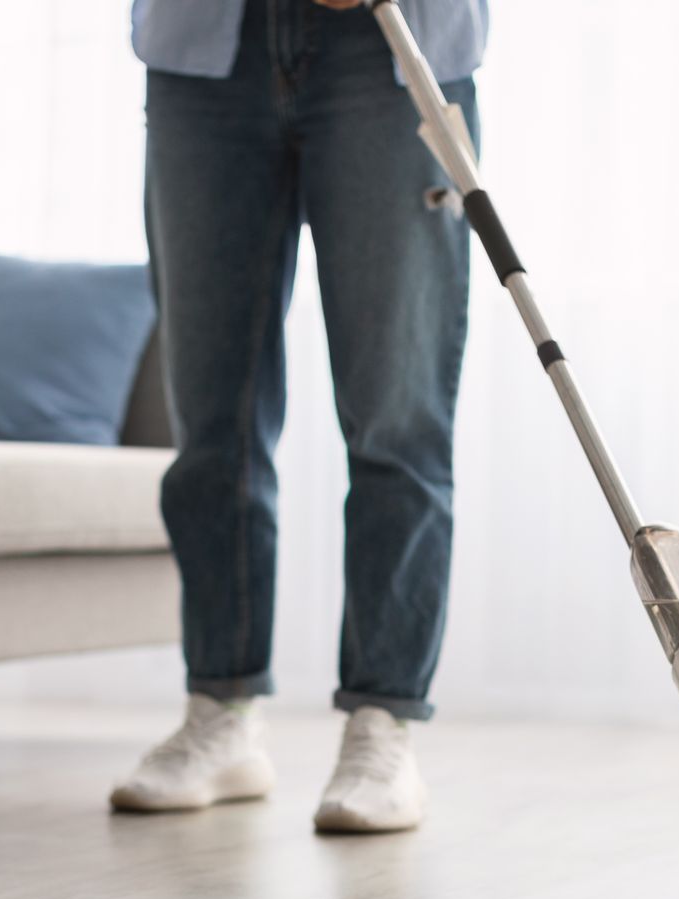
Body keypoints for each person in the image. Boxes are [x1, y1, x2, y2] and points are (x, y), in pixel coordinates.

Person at [113, 0, 489, 832]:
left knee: (398, 413)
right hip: (203, 50)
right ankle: (222, 710)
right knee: (213, 421)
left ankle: (383, 722)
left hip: (394, 49)